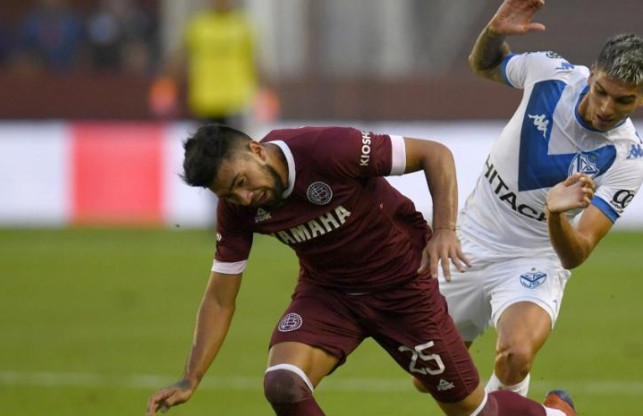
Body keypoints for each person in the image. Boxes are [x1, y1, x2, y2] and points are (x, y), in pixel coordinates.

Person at [144, 124, 579, 416]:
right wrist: (191, 376)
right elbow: (221, 295)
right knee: (283, 384)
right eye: (229, 194)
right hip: (328, 294)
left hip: (402, 288)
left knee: (472, 409)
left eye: (241, 182)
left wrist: (444, 229)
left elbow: (436, 154)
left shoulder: (327, 150)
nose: (243, 198)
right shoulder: (237, 209)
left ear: (256, 151)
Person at [420, 0, 643, 398]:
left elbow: (575, 254)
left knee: (515, 353)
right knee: (430, 378)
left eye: (623, 101)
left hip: (534, 258)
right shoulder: (550, 74)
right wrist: (493, 32)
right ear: (592, 74)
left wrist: (554, 215)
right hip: (469, 238)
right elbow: (485, 64)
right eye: (601, 91)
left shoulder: (626, 159)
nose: (605, 108)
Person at [155, 0, 259, 127]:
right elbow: (182, 56)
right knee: (207, 143)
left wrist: (262, 91)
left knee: (235, 142)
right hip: (206, 98)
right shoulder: (199, 25)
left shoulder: (243, 25)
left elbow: (254, 60)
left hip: (236, 99)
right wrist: (167, 83)